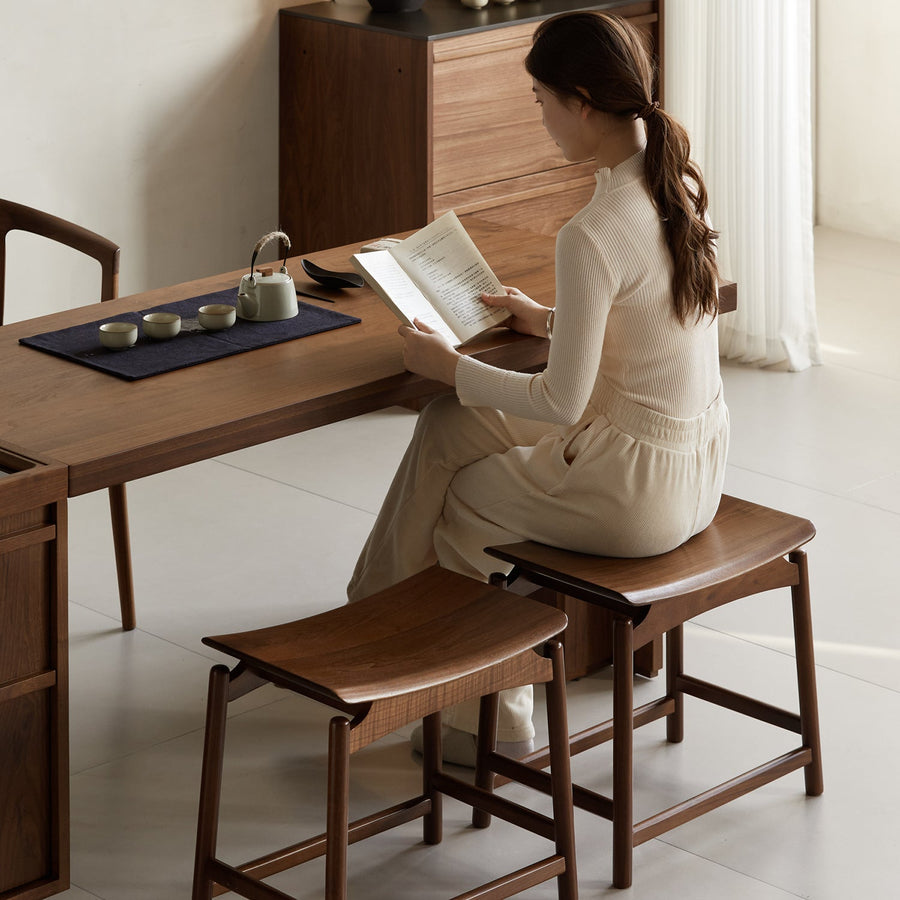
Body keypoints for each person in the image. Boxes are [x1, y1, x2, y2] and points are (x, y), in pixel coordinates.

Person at [347, 11, 729, 766]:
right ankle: (375, 620)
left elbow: (561, 403)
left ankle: (490, 725)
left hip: (635, 491)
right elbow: (639, 320)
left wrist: (446, 365)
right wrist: (548, 317)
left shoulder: (590, 231)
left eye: (542, 101)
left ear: (581, 101)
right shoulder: (669, 179)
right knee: (448, 428)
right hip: (696, 465)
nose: (542, 119)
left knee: (464, 505)